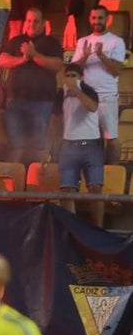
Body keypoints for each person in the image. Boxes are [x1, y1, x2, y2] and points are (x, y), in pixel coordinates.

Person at [0, 8, 62, 164]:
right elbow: (2, 61)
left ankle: (35, 183)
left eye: (36, 21)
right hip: (15, 102)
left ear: (43, 23)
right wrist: (23, 59)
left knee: (38, 147)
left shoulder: (52, 43)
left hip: (42, 103)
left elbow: (57, 65)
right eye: (29, 21)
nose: (32, 24)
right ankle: (14, 183)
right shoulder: (16, 41)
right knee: (15, 147)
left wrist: (34, 55)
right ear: (25, 23)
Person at [70, 5, 125, 165]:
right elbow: (73, 70)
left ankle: (113, 172)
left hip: (107, 98)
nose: (96, 21)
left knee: (111, 138)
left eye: (100, 18)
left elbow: (117, 70)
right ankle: (94, 172)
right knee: (90, 139)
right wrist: (85, 57)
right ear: (90, 19)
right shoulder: (82, 42)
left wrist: (101, 55)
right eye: (94, 18)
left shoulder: (117, 41)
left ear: (107, 19)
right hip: (87, 98)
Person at [57, 62, 105, 227]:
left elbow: (92, 107)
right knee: (67, 190)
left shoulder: (88, 89)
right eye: (68, 76)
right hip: (68, 145)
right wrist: (48, 149)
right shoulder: (60, 93)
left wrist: (76, 89)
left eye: (74, 76)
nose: (70, 79)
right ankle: (72, 229)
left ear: (81, 77)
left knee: (95, 189)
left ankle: (97, 229)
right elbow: (54, 120)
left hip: (91, 145)